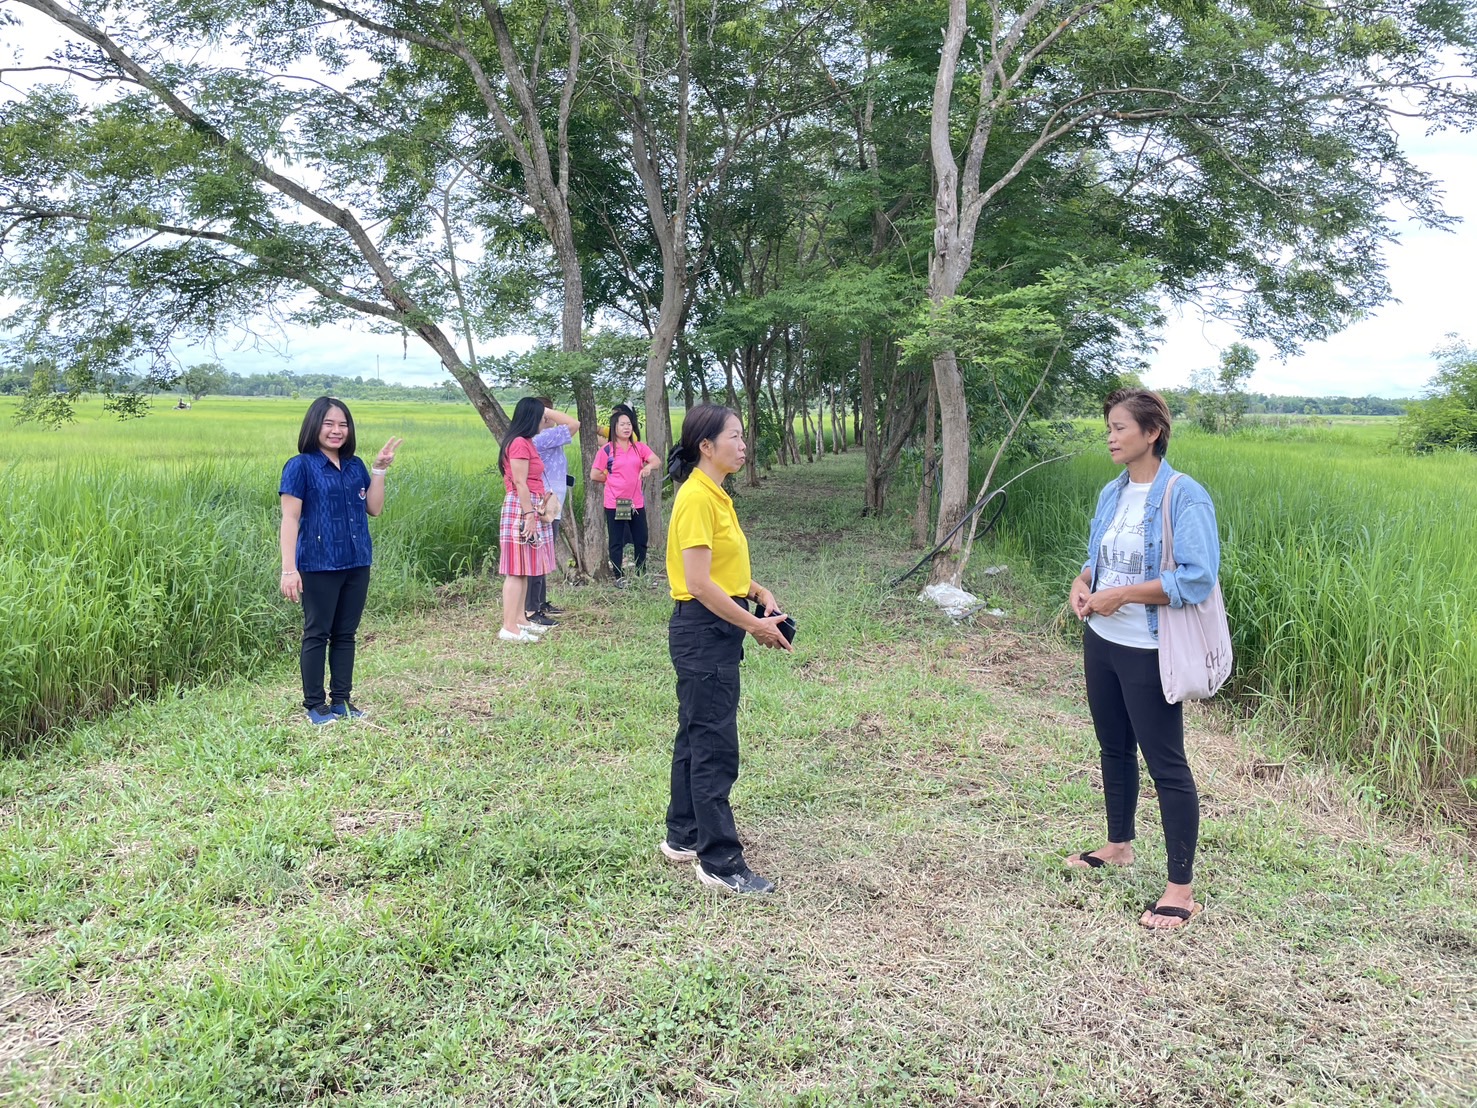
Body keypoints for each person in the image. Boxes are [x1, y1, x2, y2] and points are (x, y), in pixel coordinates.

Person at [1066, 387, 1221, 930]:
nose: (1110, 438)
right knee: (1113, 747)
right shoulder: (1113, 492)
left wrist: (1125, 595)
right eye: (1108, 428)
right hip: (1103, 640)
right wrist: (1083, 583)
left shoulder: (1184, 495)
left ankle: (1180, 889)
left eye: (1120, 428)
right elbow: (1098, 559)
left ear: (1152, 433)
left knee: (1166, 764)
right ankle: (1118, 846)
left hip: (1150, 649)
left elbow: (1197, 578)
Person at [660, 404, 794, 895]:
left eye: (742, 436)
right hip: (704, 629)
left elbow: (721, 569)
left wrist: (757, 592)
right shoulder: (697, 497)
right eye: (734, 436)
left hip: (713, 626)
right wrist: (755, 627)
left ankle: (683, 835)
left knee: (695, 735)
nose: (743, 444)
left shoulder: (714, 494)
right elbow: (697, 583)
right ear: (706, 446)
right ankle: (719, 861)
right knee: (714, 745)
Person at [279, 397, 401, 724]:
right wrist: (289, 569)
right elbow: (290, 519)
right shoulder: (300, 466)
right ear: (314, 426)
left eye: (343, 424)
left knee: (346, 634)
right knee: (317, 633)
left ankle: (341, 701)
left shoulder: (354, 465)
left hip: (356, 561)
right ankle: (315, 705)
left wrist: (379, 470)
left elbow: (374, 508)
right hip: (318, 563)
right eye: (329, 424)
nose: (337, 430)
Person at [497, 397, 557, 644]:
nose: (545, 419)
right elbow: (520, 482)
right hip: (522, 507)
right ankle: (509, 626)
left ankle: (520, 620)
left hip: (529, 505)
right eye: (542, 416)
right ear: (532, 417)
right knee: (515, 570)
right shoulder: (519, 443)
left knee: (523, 569)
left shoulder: (526, 441)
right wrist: (529, 515)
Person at [524, 399, 580, 627]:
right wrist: (546, 411)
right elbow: (574, 424)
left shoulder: (544, 437)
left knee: (544, 556)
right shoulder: (542, 438)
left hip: (552, 504)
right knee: (538, 556)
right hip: (546, 505)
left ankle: (540, 602)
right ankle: (532, 607)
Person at [589, 405, 659, 585]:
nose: (627, 427)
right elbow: (594, 474)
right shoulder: (607, 450)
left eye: (629, 424)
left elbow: (656, 460)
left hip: (636, 501)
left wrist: (648, 467)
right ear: (614, 428)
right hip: (617, 502)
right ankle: (618, 576)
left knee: (641, 538)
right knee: (617, 540)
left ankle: (641, 573)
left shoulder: (639, 448)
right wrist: (611, 479)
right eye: (622, 424)